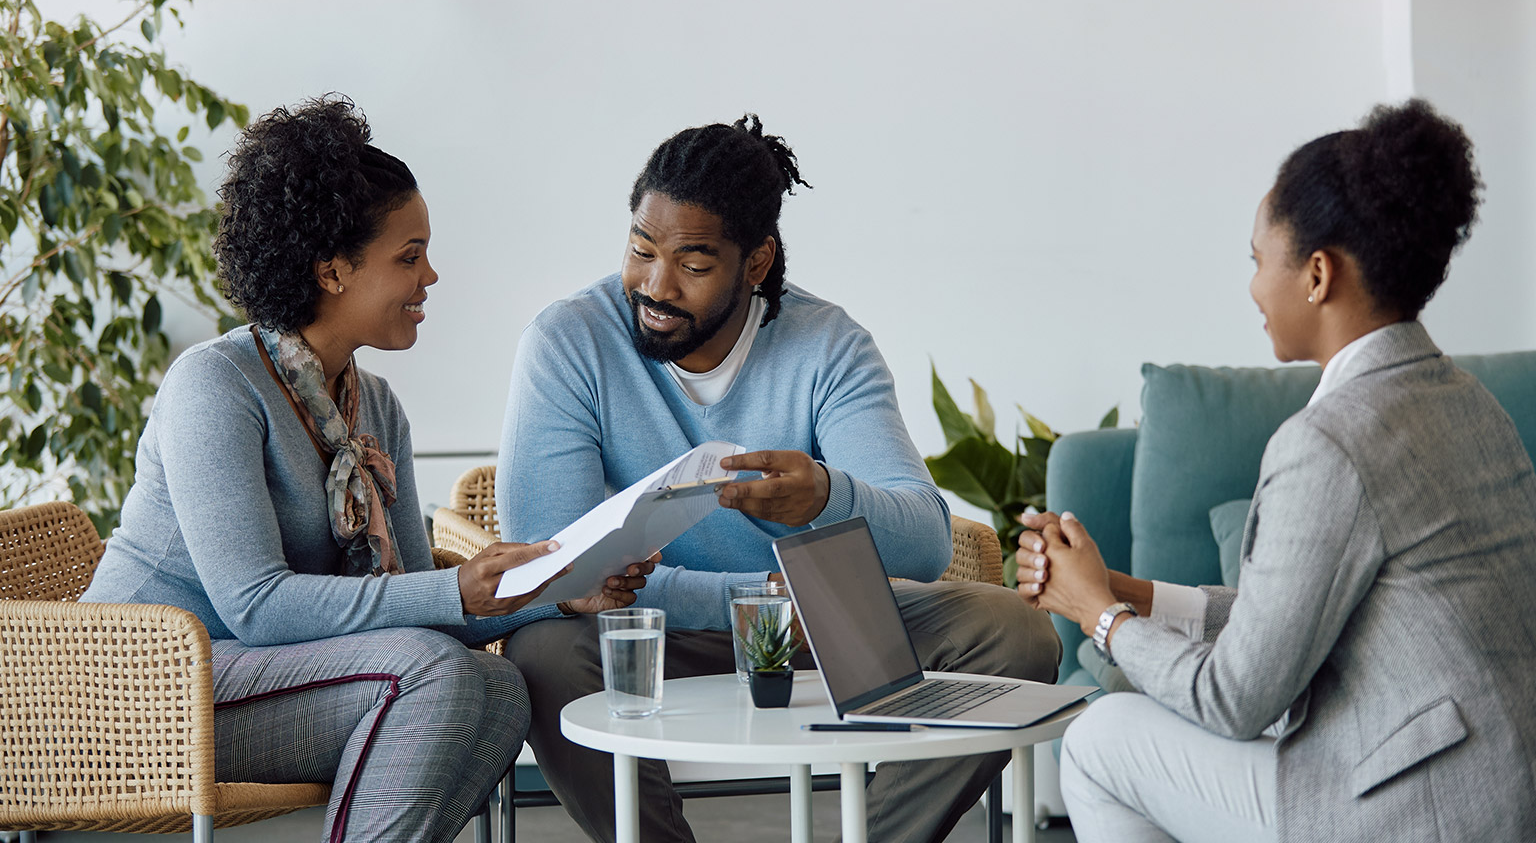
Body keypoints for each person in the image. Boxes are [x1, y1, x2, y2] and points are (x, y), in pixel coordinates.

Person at [80, 96, 655, 843]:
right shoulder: (213, 387)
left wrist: (560, 594)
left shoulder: (374, 407)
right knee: (433, 674)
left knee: (498, 687)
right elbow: (255, 604)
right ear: (332, 271)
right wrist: (460, 587)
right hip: (138, 691)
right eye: (408, 256)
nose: (432, 276)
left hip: (252, 679)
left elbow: (426, 601)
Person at [497, 114, 1062, 843]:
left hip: (823, 627)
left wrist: (828, 497)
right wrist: (760, 600)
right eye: (641, 250)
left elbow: (924, 541)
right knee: (543, 652)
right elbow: (556, 569)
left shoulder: (828, 346)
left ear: (756, 263)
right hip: (670, 627)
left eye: (694, 265)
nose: (655, 285)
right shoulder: (568, 341)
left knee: (1013, 632)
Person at [1018, 99, 1536, 842]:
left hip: (1419, 808)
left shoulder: (1330, 440)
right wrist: (1116, 589)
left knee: (1103, 741)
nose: (1255, 287)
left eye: (1259, 260)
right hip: (1501, 785)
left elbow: (1235, 698)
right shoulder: (1466, 402)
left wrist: (1099, 618)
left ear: (1317, 275)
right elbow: (1291, 613)